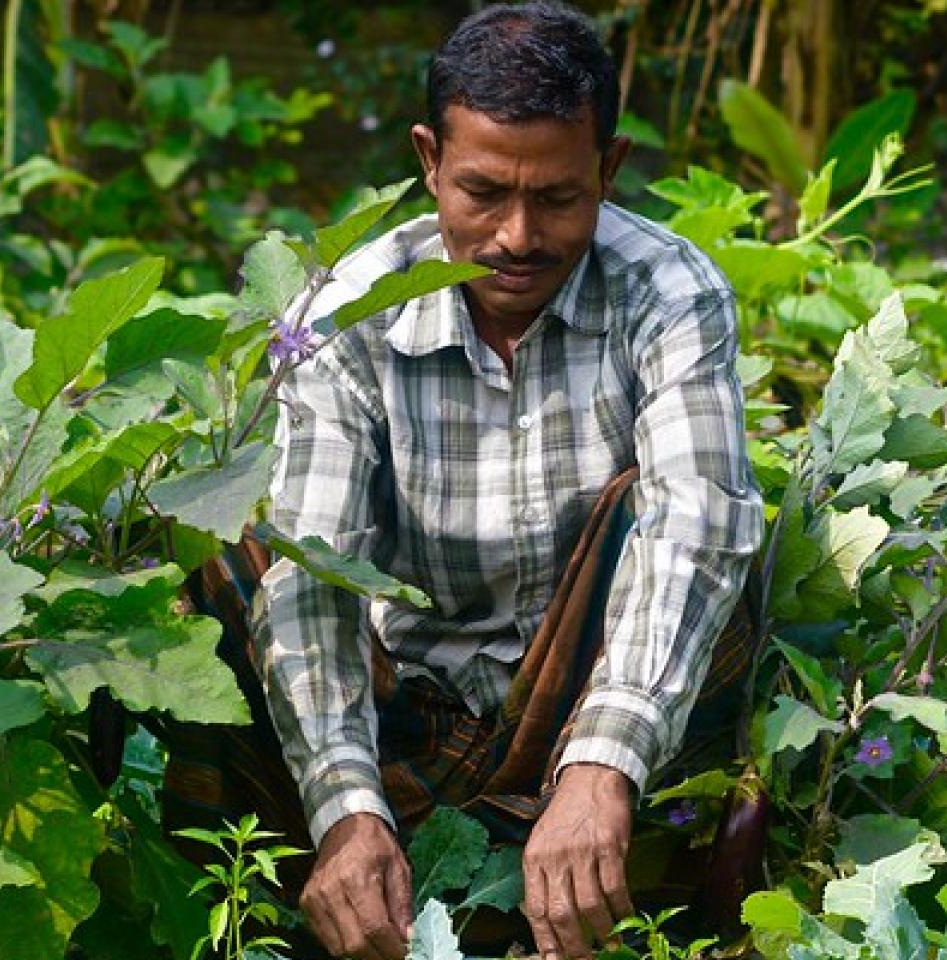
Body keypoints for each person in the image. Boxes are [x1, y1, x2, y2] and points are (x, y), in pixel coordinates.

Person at [241, 5, 762, 959]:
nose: (516, 237)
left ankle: (638, 855)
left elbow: (695, 532)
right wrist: (346, 806)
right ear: (429, 160)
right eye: (482, 192)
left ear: (609, 170)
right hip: (410, 707)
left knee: (704, 520)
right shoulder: (350, 309)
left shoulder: (670, 292)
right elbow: (311, 573)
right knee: (243, 557)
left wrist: (603, 765)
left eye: (560, 199)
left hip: (597, 700)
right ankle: (330, 884)